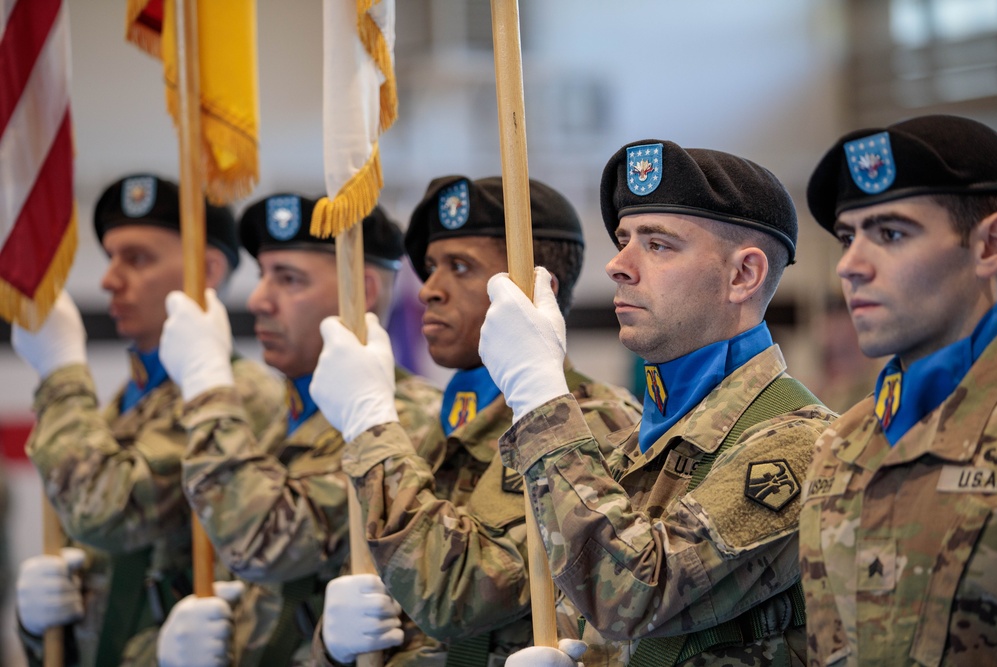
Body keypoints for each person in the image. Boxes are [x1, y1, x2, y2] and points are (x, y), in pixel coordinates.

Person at [477, 141, 840, 666]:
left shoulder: (803, 442)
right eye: (624, 239)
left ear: (744, 275)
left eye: (658, 245)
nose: (618, 265)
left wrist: (539, 394)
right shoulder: (637, 446)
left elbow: (630, 595)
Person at [307, 175, 642, 665]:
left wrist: (368, 426)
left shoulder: (592, 424)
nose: (428, 291)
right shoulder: (423, 427)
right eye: (429, 267)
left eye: (460, 267)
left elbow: (454, 596)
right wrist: (331, 651)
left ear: (534, 293)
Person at [154, 194, 444, 667]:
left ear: (363, 292)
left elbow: (265, 540)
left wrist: (206, 381)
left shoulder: (404, 420)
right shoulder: (268, 417)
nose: (257, 299)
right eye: (262, 274)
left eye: (288, 278)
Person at [10, 174, 284, 666]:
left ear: (207, 270)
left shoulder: (239, 398)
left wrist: (62, 372)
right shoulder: (124, 405)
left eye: (136, 259)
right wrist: (38, 629)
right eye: (112, 257)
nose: (109, 279)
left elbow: (106, 511)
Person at [799, 114, 997, 665]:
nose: (850, 265)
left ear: (989, 245)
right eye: (847, 236)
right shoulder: (841, 445)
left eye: (891, 233)